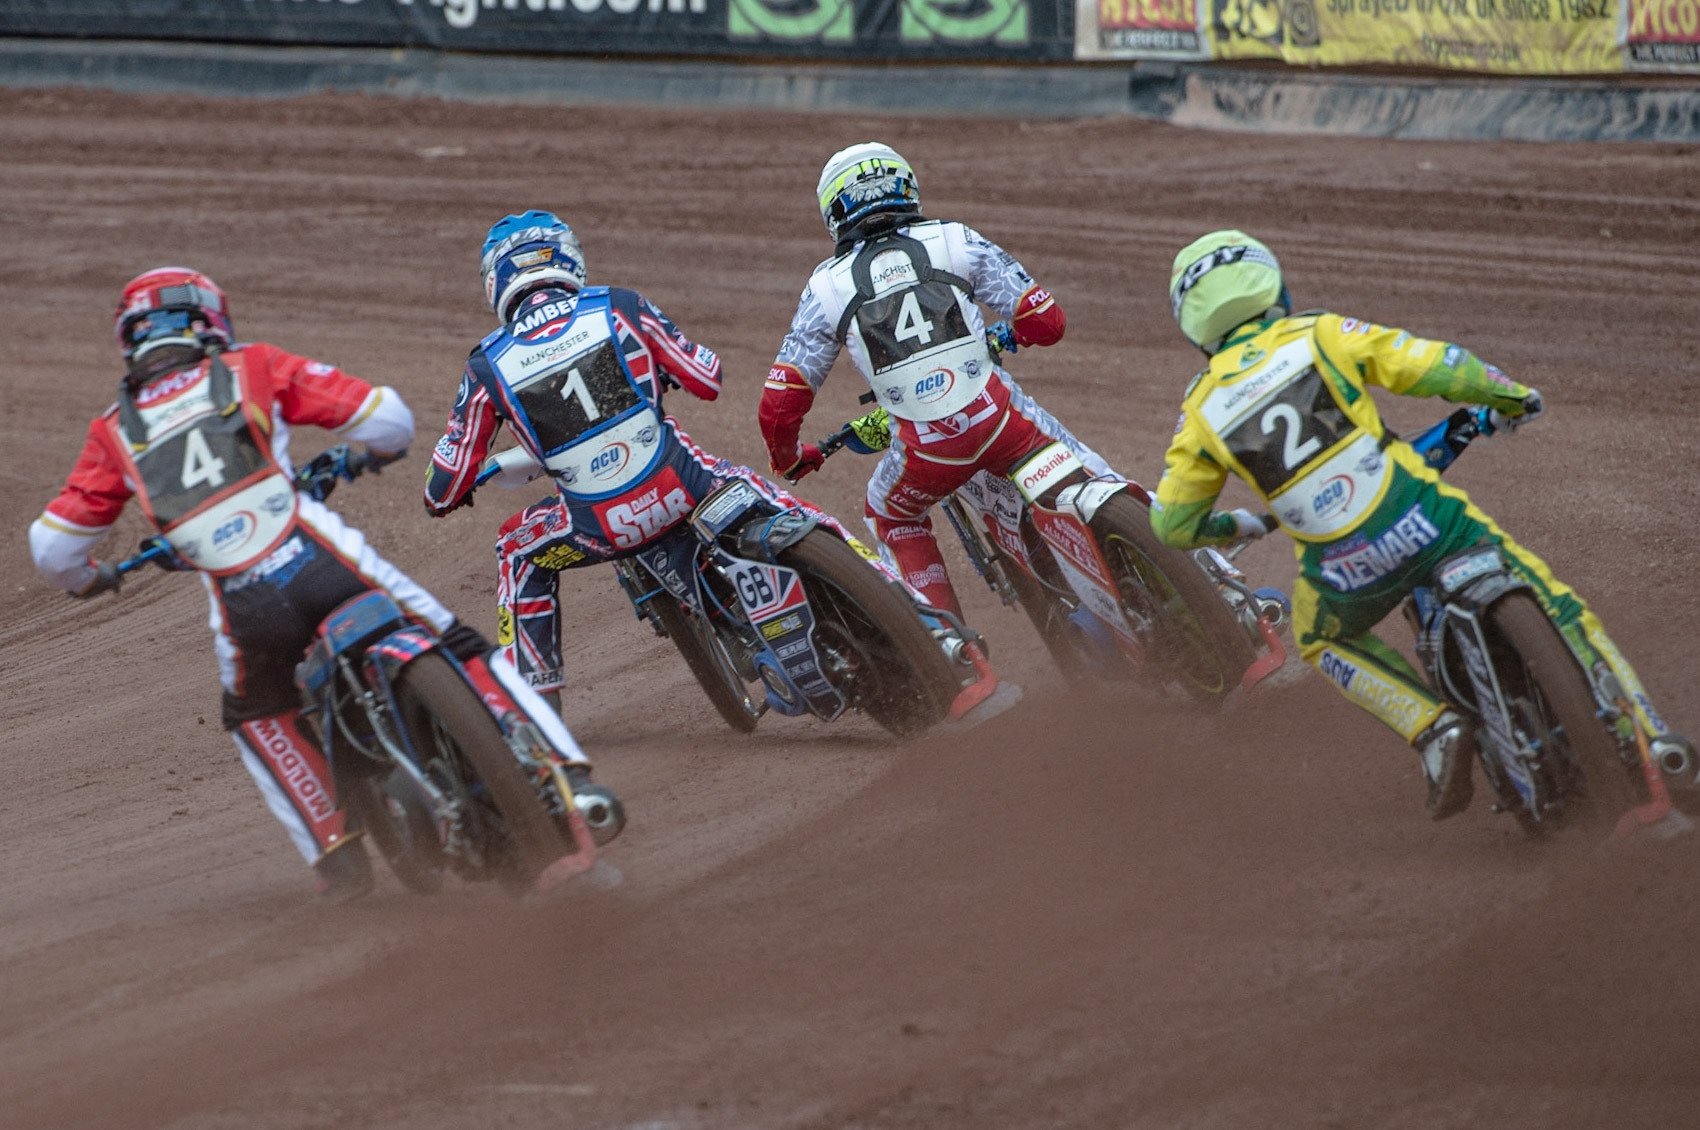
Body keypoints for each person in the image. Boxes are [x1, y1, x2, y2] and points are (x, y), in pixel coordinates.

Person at [28, 267, 612, 900]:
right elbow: (385, 421)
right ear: (210, 321)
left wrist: (94, 578)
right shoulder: (252, 365)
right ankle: (566, 772)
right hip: (322, 563)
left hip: (246, 609)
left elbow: (54, 550)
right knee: (460, 645)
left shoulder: (114, 429)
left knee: (258, 714)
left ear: (130, 339)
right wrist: (369, 454)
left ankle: (335, 850)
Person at [1149, 229, 1690, 819]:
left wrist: (1239, 528)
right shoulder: (1318, 333)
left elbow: (1173, 523)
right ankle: (1654, 737)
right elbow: (1439, 366)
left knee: (1318, 635)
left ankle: (1430, 729)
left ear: (1194, 325)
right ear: (1272, 284)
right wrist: (1510, 397)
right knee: (1559, 603)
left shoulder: (1201, 408)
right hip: (1429, 521)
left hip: (1343, 569)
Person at [423, 211, 970, 710]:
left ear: (495, 281)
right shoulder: (618, 305)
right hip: (687, 487)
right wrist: (655, 375)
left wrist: (463, 477)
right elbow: (706, 378)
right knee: (799, 511)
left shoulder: (486, 364)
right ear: (570, 260)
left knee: (519, 553)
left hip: (597, 531)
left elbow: (440, 490)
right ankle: (931, 628)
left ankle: (533, 715)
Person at [758, 141, 1115, 618]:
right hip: (1004, 425)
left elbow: (781, 401)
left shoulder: (825, 288)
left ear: (835, 213)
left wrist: (788, 456)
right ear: (907, 189)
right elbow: (1047, 322)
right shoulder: (955, 239)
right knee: (1094, 472)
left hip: (924, 455)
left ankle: (956, 659)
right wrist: (1011, 333)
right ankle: (1215, 578)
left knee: (888, 513)